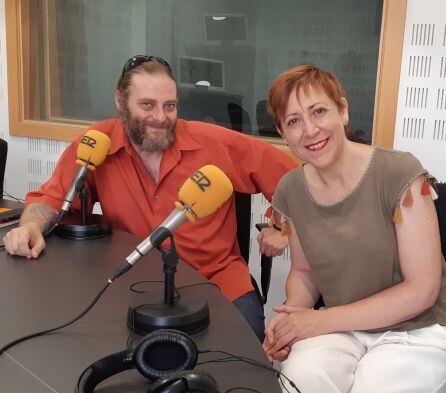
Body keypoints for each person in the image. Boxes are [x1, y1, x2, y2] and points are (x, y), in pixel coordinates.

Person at [3, 55, 295, 342]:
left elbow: (297, 181)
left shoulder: (215, 143)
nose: (160, 117)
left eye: (170, 106)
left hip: (218, 283)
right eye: (147, 105)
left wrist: (281, 225)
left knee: (242, 364)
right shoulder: (98, 144)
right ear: (121, 102)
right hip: (136, 288)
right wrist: (30, 226)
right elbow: (52, 200)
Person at [262, 65, 446, 392]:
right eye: (293, 121)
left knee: (375, 385)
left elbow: (423, 289)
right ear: (282, 132)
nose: (310, 129)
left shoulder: (400, 172)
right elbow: (305, 272)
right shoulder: (291, 188)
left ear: (343, 111)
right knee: (299, 377)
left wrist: (320, 321)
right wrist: (291, 322)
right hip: (344, 329)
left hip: (416, 329)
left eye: (319, 111)